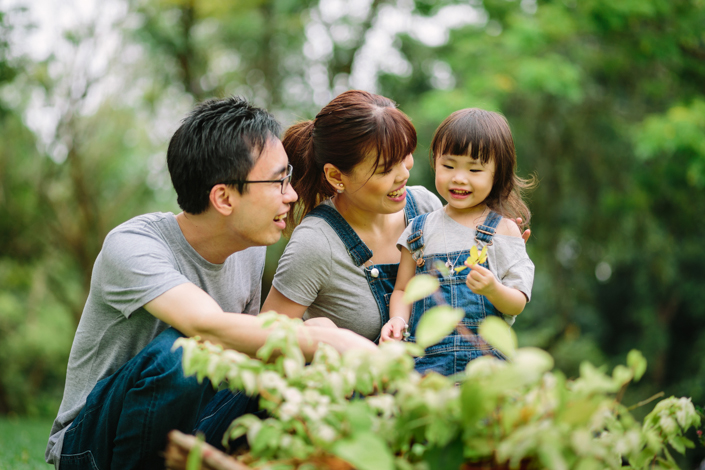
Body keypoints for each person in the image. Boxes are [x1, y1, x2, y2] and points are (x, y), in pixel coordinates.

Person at [45, 97, 376, 470]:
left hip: (192, 423)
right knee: (184, 351)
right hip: (92, 447)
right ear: (223, 197)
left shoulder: (248, 249)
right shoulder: (134, 246)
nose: (291, 194)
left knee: (301, 344)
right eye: (278, 180)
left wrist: (317, 335)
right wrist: (331, 339)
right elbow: (205, 326)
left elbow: (253, 349)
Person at [261, 90, 444, 342]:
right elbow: (265, 344)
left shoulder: (427, 207)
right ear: (336, 176)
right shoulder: (315, 244)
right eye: (385, 169)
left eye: (405, 156)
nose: (403, 174)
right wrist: (327, 341)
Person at [380, 108, 535, 376]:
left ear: (497, 174)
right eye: (448, 166)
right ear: (435, 163)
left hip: (486, 368)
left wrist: (493, 289)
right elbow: (403, 290)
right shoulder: (418, 230)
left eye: (474, 169)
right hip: (426, 368)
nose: (459, 178)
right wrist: (397, 319)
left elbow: (518, 300)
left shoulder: (504, 230)